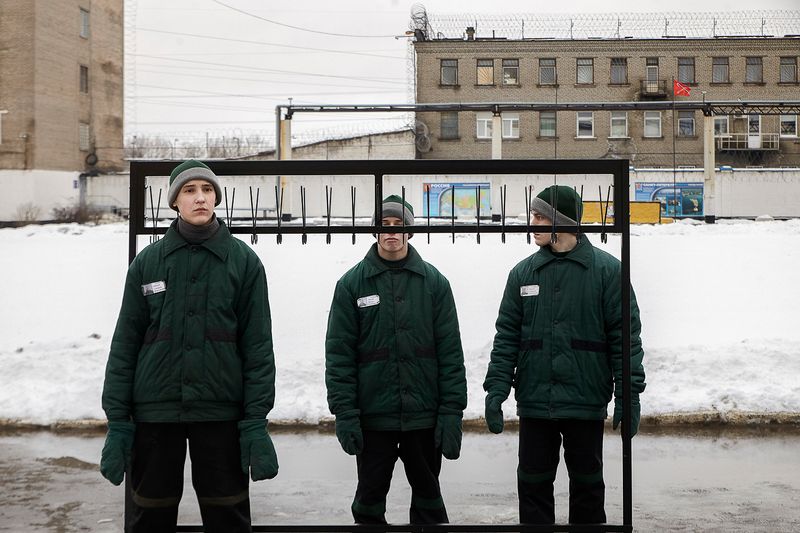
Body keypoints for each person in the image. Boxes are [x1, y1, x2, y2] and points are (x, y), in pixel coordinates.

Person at [100, 159, 278, 533]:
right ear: (175, 202)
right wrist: (118, 422)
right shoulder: (148, 263)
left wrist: (255, 422)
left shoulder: (243, 263)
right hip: (155, 414)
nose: (201, 198)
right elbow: (125, 344)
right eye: (190, 190)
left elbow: (258, 348)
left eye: (208, 190)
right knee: (150, 513)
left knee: (227, 514)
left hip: (220, 415)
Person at [483, 185, 646, 525]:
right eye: (533, 216)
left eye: (540, 217)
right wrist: (496, 390)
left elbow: (625, 340)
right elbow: (507, 337)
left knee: (587, 488)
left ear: (562, 222)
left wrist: (627, 396)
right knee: (532, 486)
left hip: (584, 400)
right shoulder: (522, 274)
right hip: (535, 401)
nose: (533, 223)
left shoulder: (607, 273)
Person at [325, 194, 467, 524]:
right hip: (374, 420)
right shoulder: (351, 285)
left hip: (424, 418)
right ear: (375, 231)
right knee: (369, 501)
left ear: (410, 231)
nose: (391, 232)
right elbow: (339, 356)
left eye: (399, 225)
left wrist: (451, 411)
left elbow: (450, 353)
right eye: (384, 225)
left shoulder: (434, 283)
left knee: (430, 499)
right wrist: (345, 413)